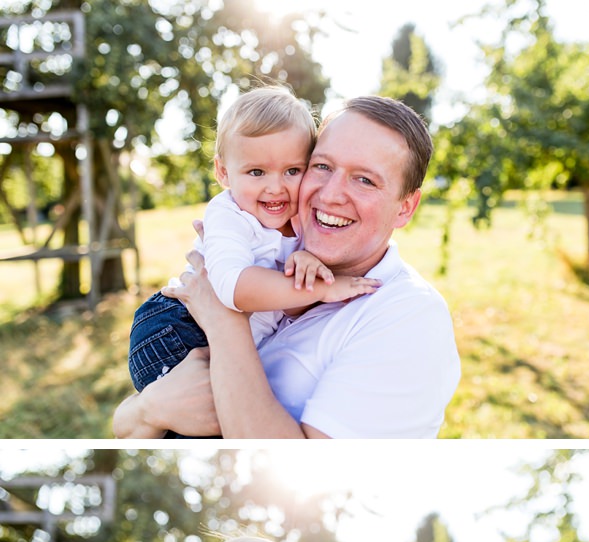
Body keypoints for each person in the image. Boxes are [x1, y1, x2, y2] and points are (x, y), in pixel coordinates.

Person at [112, 95, 460, 439]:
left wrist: (221, 319)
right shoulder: (277, 244)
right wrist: (147, 409)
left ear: (405, 207)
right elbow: (127, 427)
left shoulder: (409, 317)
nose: (330, 195)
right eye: (322, 166)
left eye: (364, 179)